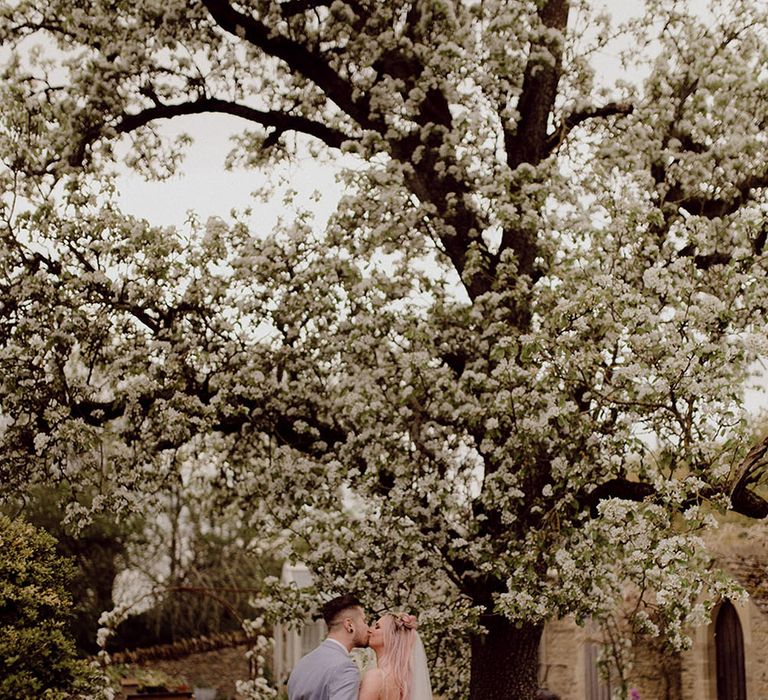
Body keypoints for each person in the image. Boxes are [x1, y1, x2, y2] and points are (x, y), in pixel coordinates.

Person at [287, 593, 370, 700]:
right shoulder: (345, 668)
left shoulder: (301, 665)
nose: (367, 627)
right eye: (364, 621)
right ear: (349, 625)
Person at [359, 612, 432, 700]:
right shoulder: (404, 684)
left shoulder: (375, 677)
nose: (370, 630)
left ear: (391, 637)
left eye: (377, 627)